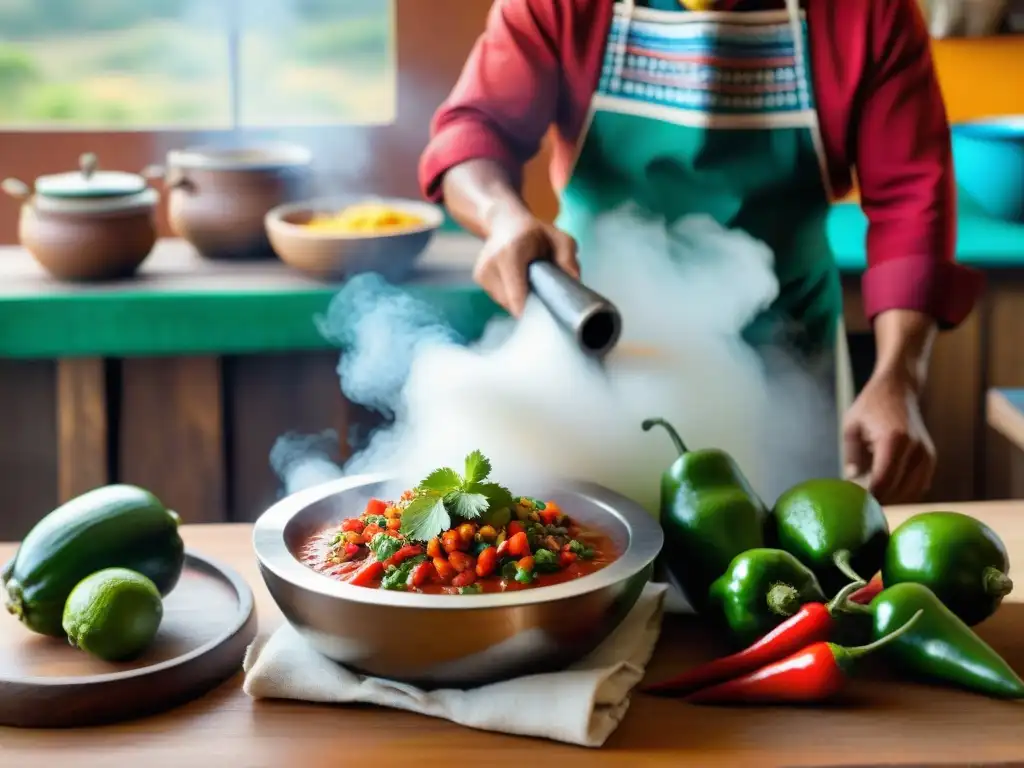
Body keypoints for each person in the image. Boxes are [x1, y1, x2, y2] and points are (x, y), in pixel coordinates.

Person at [418, 0, 983, 505]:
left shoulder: (870, 14)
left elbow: (912, 200)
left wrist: (898, 376)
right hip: (589, 352)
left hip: (784, 355)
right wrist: (502, 216)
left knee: (779, 586)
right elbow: (473, 128)